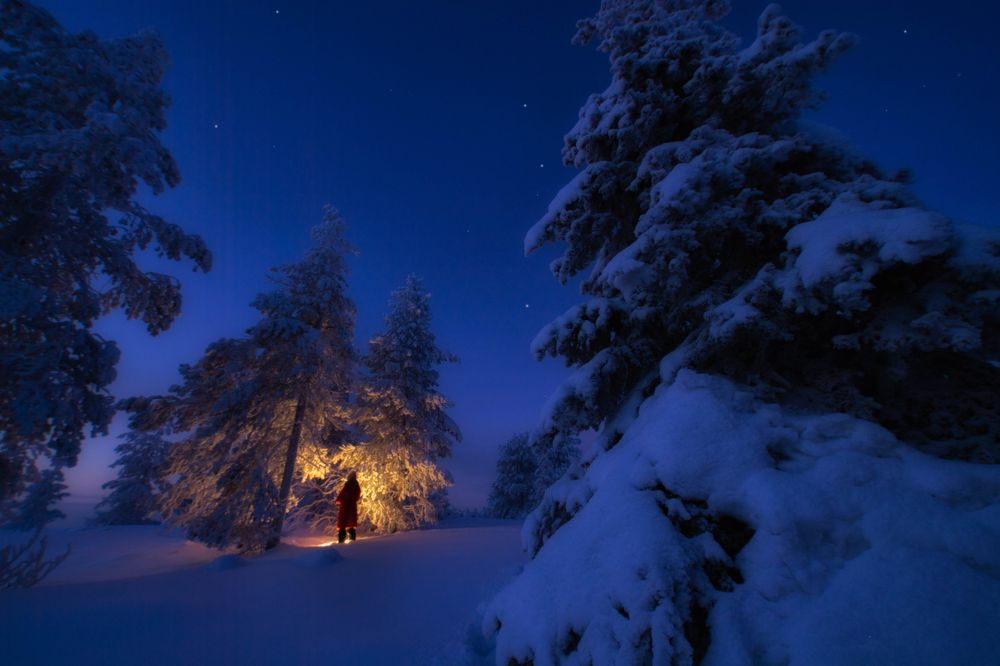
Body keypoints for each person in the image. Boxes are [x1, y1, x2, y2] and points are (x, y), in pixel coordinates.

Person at [336, 472, 361, 543]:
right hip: (352, 507)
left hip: (345, 507)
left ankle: (341, 542)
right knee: (351, 525)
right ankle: (353, 542)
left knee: (342, 525)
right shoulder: (356, 486)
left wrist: (339, 500)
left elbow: (343, 495)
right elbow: (357, 496)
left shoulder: (348, 485)